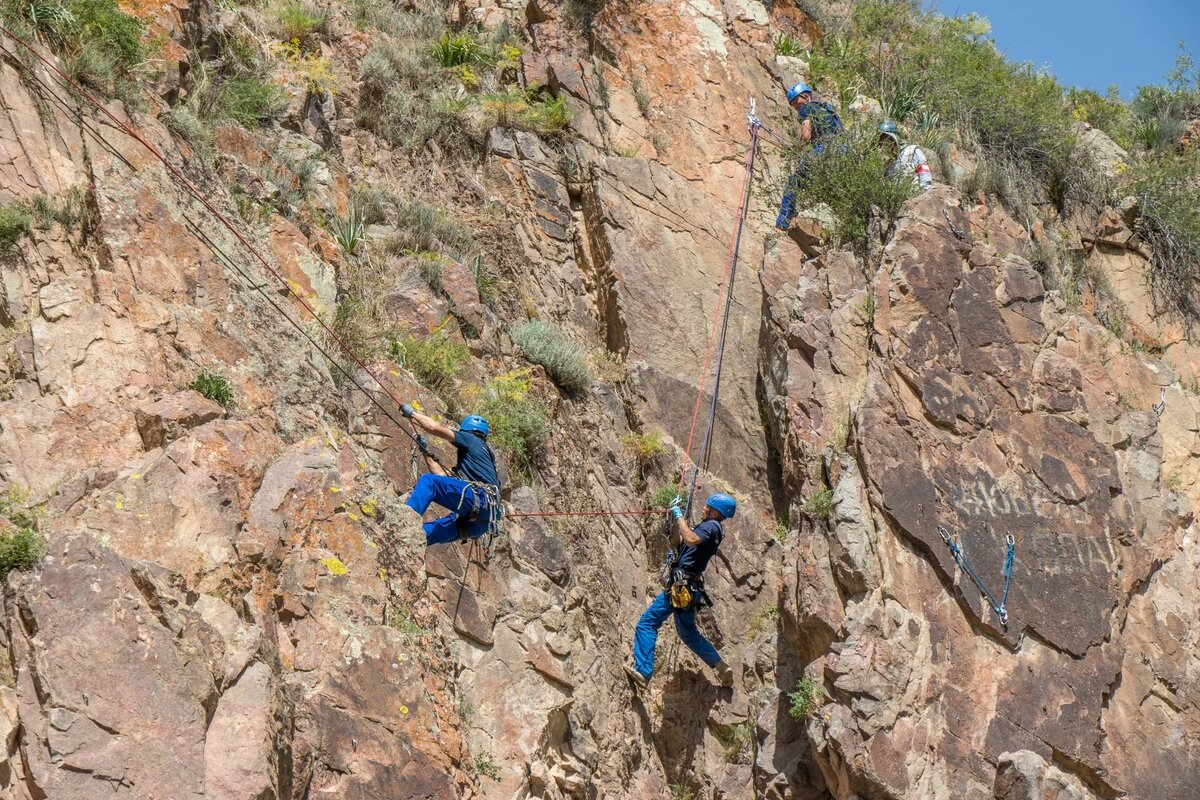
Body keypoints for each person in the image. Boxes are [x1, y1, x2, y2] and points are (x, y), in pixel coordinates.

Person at [625, 492, 737, 689]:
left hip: (680, 586)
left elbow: (691, 539)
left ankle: (643, 672)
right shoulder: (712, 528)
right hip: (688, 587)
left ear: (715, 512)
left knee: (647, 623)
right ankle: (720, 666)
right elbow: (678, 542)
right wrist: (675, 519)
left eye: (707, 506)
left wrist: (678, 515)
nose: (704, 508)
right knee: (688, 633)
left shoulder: (711, 526)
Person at [400, 404, 501, 545]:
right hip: (483, 520)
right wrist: (425, 452)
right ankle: (406, 542)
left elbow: (433, 428)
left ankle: (402, 522)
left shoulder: (471, 439)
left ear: (467, 430)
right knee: (425, 534)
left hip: (478, 498)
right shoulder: (484, 460)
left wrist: (412, 414)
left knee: (429, 482)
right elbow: (441, 476)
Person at [776, 82, 845, 230]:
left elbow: (806, 135)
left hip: (825, 148)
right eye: (793, 105)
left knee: (794, 182)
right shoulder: (829, 110)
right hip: (843, 151)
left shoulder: (807, 108)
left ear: (806, 97)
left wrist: (796, 150)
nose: (796, 107)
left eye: (796, 102)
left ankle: (782, 224)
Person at [878, 120, 933, 191]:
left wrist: (924, 193)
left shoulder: (911, 150)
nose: (887, 145)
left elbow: (924, 172)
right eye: (883, 142)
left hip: (916, 196)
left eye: (889, 140)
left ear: (895, 139)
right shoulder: (889, 164)